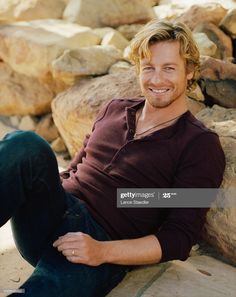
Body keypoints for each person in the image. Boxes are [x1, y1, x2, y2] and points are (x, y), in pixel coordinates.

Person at [0, 19, 225, 297]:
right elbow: (74, 170)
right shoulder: (115, 109)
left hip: (101, 244)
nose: (156, 79)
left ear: (189, 72)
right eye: (149, 68)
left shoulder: (200, 145)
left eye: (169, 68)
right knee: (25, 144)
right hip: (51, 217)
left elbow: (179, 238)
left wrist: (101, 252)